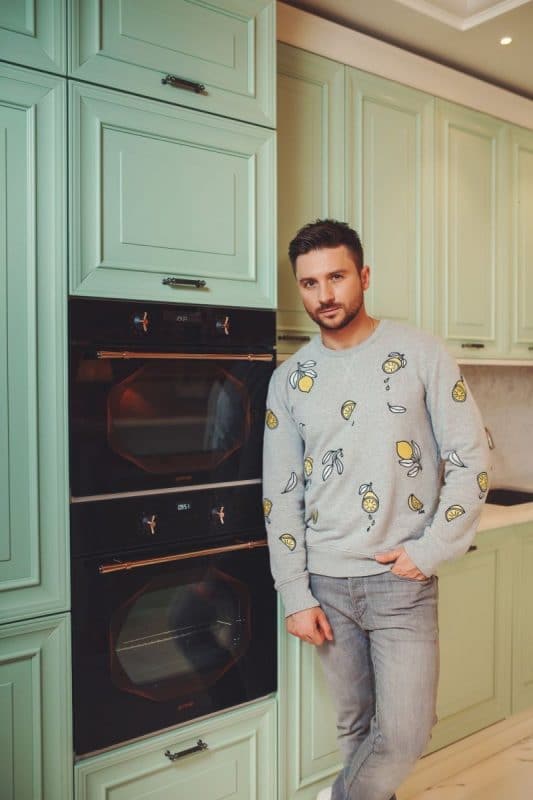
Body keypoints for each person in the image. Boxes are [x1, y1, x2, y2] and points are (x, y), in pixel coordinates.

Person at [262, 220, 490, 800]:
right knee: (355, 728)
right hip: (325, 583)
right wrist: (294, 592)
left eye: (336, 277)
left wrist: (433, 547)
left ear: (363, 276)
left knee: (407, 732)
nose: (324, 296)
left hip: (400, 579)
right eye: (309, 284)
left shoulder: (420, 354)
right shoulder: (289, 380)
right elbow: (280, 491)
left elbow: (471, 456)